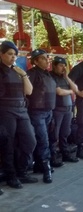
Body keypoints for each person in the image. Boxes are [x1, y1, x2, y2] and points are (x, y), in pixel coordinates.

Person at [0, 41, 37, 188]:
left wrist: (24, 75)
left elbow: (29, 91)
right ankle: (11, 176)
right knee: (8, 145)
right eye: (9, 54)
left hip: (21, 110)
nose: (13, 57)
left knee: (30, 141)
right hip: (5, 110)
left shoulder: (17, 70)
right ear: (1, 54)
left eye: (15, 54)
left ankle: (22, 171)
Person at [27, 49, 56, 184]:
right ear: (36, 61)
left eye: (47, 58)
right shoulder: (32, 74)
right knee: (43, 140)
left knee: (47, 139)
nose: (47, 60)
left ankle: (40, 165)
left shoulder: (48, 74)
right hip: (37, 112)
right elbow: (27, 92)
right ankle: (46, 169)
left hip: (48, 111)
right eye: (43, 58)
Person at [50, 56, 79, 163]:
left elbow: (75, 89)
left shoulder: (64, 77)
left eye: (64, 66)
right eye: (61, 65)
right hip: (57, 109)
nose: (63, 68)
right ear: (54, 66)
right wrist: (70, 92)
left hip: (68, 109)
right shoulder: (51, 76)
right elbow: (59, 92)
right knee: (54, 134)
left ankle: (65, 154)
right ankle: (53, 157)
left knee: (65, 133)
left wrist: (67, 77)